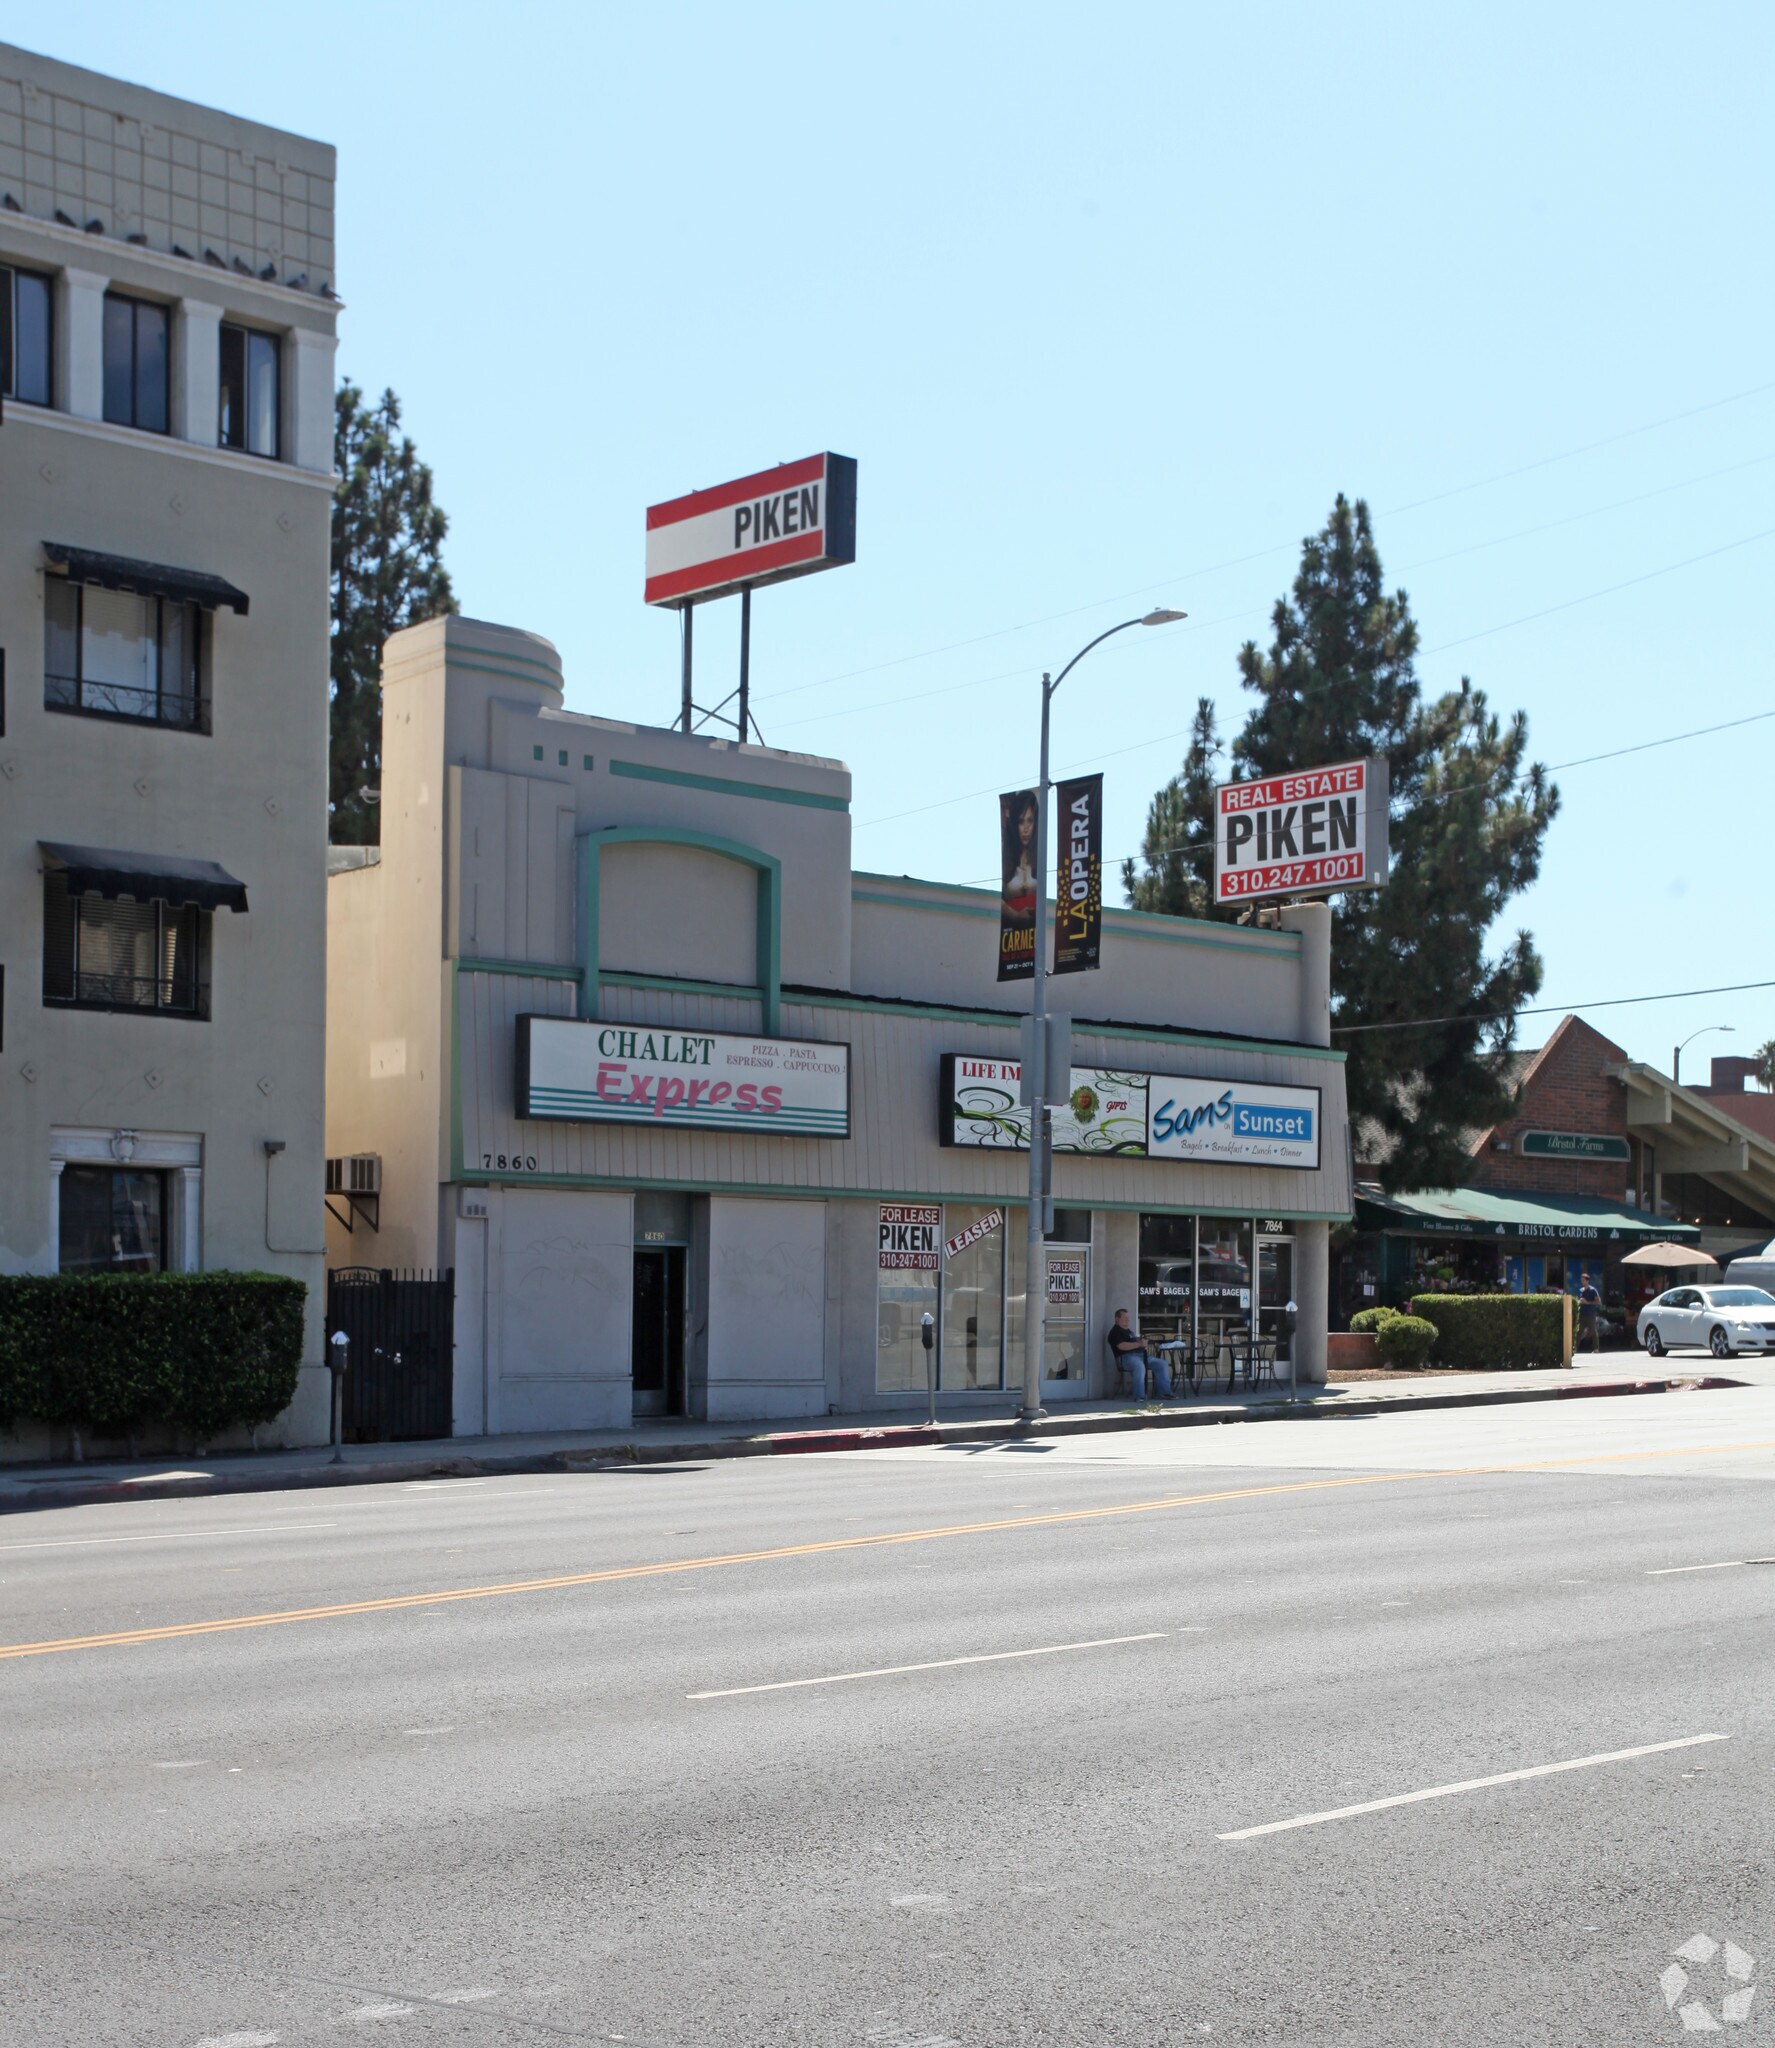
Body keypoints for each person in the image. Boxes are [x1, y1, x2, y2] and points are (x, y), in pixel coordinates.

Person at [1107, 1308, 1172, 1401]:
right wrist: (1139, 1344)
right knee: (1139, 1366)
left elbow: (1137, 1343)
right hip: (1125, 1358)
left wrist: (1142, 1343)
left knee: (1161, 1364)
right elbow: (1121, 1346)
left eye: (1128, 1317)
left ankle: (1164, 1393)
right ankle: (1139, 1395)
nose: (1128, 1319)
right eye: (1124, 1317)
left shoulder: (1129, 1331)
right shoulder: (1115, 1332)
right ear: (1117, 1319)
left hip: (1141, 1356)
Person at [1578, 1273, 1602, 1353]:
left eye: (1584, 1280)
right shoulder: (1581, 1290)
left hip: (1590, 1314)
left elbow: (1598, 1301)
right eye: (1581, 1280)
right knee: (1579, 1332)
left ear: (1587, 1281)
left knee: (1593, 1331)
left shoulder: (1592, 1290)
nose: (1582, 1282)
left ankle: (1596, 1348)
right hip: (1582, 1314)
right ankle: (1574, 1348)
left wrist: (1587, 1302)